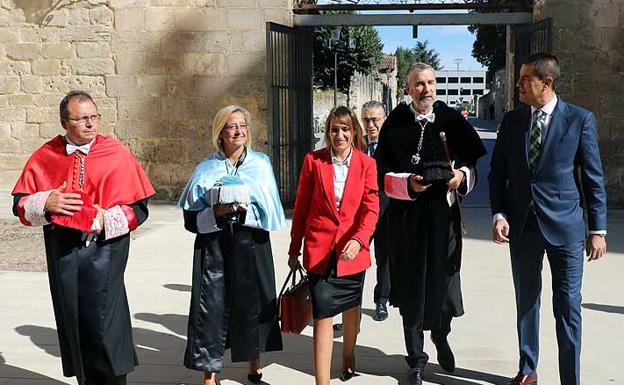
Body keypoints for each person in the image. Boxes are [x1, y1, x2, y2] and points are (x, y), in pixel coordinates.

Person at [11, 90, 155, 385]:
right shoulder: (45, 155)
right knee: (74, 321)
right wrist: (46, 202)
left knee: (105, 323)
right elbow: (21, 206)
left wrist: (104, 219)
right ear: (65, 122)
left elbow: (138, 209)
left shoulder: (116, 152)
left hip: (106, 250)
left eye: (94, 117)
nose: (90, 124)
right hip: (64, 252)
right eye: (82, 119)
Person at [489, 53, 607, 385]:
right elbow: (497, 175)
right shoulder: (512, 122)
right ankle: (528, 369)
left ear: (547, 82)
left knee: (568, 307)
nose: (519, 84)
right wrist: (499, 213)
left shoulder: (579, 120)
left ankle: (571, 379)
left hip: (567, 229)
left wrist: (596, 230)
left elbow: (593, 179)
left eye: (526, 79)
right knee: (526, 301)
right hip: (522, 227)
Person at [375, 63, 486, 385]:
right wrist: (408, 184)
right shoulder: (395, 123)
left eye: (430, 82)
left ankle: (442, 333)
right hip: (407, 221)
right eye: (419, 84)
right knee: (411, 290)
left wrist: (462, 176)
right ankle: (416, 361)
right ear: (408, 89)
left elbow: (472, 162)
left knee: (446, 287)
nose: (426, 89)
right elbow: (382, 174)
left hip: (444, 219)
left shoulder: (451, 119)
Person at [179, 105, 286, 385]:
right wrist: (217, 213)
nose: (238, 131)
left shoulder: (261, 164)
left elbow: (270, 211)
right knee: (210, 308)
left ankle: (254, 365)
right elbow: (190, 219)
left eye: (243, 126)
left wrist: (243, 211)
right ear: (220, 133)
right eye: (231, 126)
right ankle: (209, 374)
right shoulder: (206, 168)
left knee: (253, 305)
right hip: (215, 247)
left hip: (252, 245)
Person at [288, 106, 379, 385]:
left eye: (345, 129)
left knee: (351, 309)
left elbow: (371, 209)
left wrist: (359, 239)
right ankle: (322, 381)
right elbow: (301, 207)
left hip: (353, 251)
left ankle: (348, 354)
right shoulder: (314, 162)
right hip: (320, 250)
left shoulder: (367, 164)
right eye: (334, 129)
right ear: (328, 132)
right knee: (323, 314)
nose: (339, 135)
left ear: (354, 133)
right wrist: (294, 249)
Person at [361, 100, 391, 321]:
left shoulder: (393, 146)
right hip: (360, 213)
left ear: (385, 119)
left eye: (375, 120)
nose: (370, 125)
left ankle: (381, 301)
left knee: (385, 257)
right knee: (355, 257)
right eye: (365, 120)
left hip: (386, 210)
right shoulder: (356, 146)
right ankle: (351, 304)